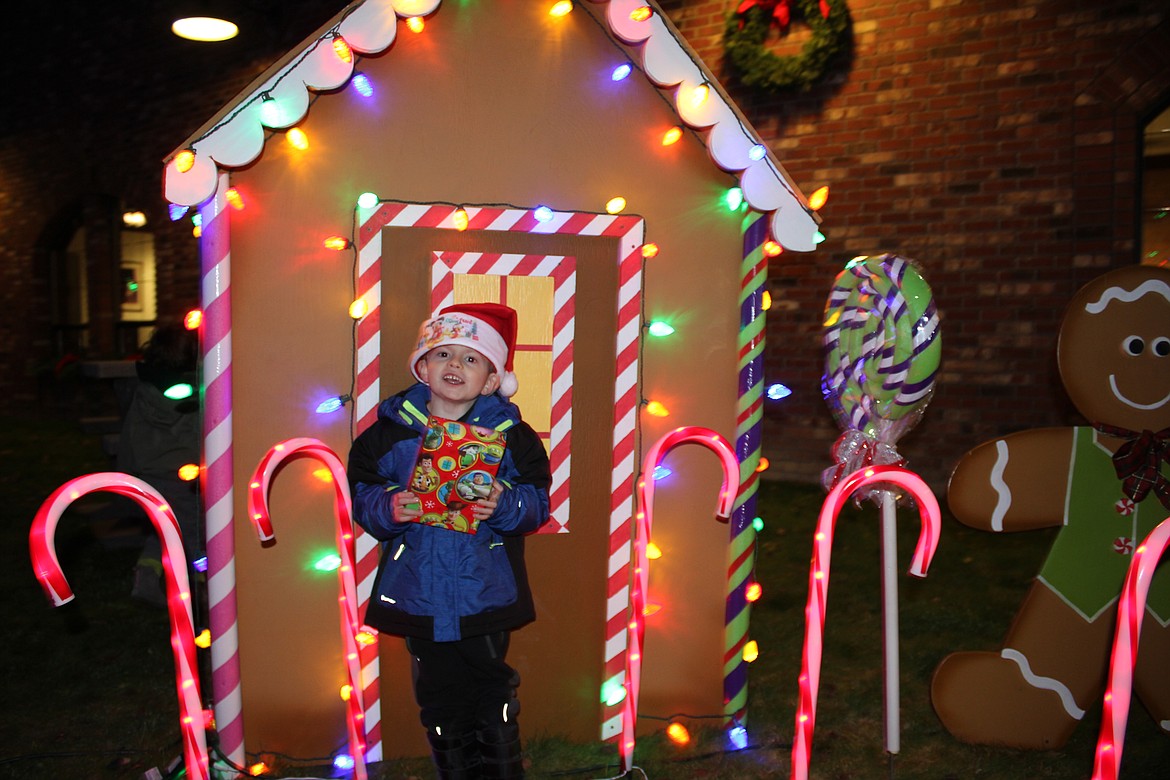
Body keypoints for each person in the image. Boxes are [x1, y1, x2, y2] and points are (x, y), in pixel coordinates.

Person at [348, 302, 551, 780]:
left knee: (491, 688)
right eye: (443, 354)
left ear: (490, 380)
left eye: (471, 358)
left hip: (484, 590)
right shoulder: (386, 435)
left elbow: (536, 503)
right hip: (416, 589)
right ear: (422, 367)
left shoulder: (512, 436)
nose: (455, 365)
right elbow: (361, 495)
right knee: (438, 696)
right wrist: (389, 507)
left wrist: (503, 503)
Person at [116, 324, 202, 606]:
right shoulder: (199, 391)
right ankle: (201, 589)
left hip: (149, 476)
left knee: (162, 529)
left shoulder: (142, 391)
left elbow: (130, 433)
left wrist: (126, 474)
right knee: (193, 533)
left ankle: (147, 574)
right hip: (184, 478)